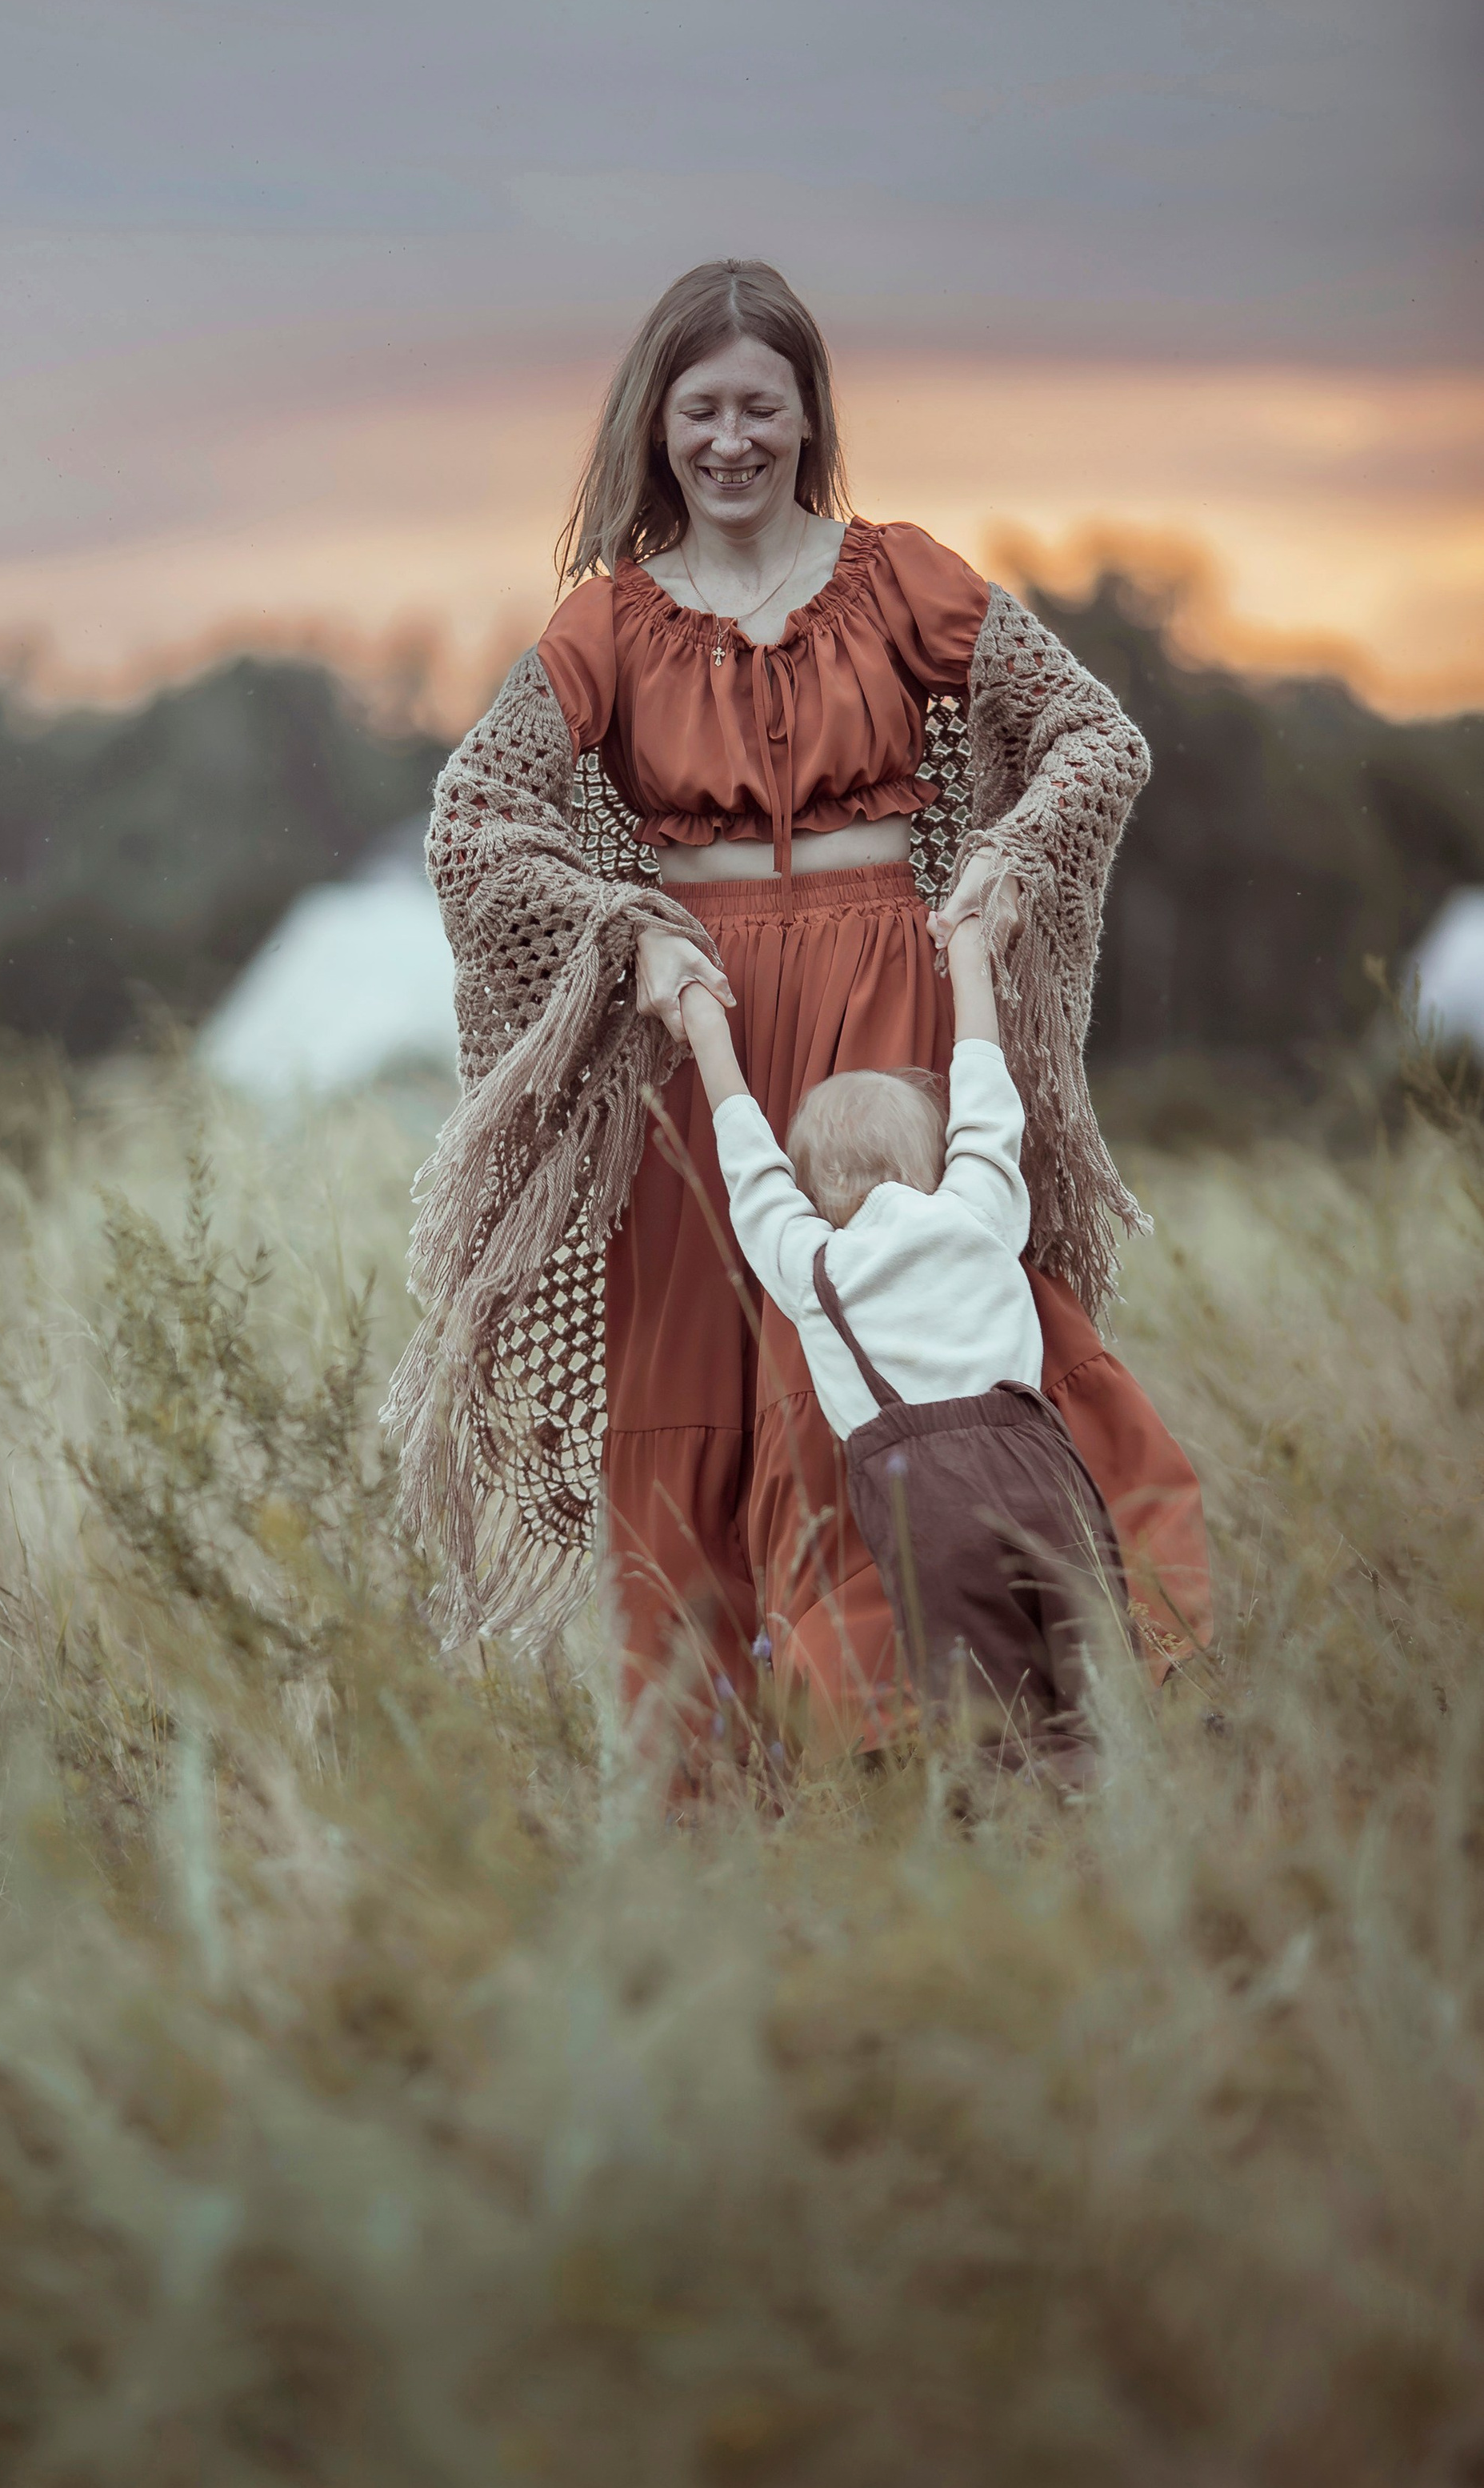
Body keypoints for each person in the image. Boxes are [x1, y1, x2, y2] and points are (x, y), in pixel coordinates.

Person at [386, 257, 1209, 1771]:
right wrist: (621, 923)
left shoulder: (900, 574)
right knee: (704, 1381)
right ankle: (706, 1784)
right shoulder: (612, 621)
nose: (733, 440)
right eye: (702, 409)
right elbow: (474, 817)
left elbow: (1096, 735)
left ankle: (947, 1744)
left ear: (808, 415)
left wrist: (1011, 865)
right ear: (656, 425)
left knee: (917, 1363)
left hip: (891, 1011)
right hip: (703, 1039)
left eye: (763, 406)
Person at [677, 909, 1129, 1755]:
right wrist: (965, 954)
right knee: (1098, 1666)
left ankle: (1014, 1829)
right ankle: (1122, 1802)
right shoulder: (977, 1212)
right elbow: (988, 1098)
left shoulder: (810, 1264)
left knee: (988, 1708)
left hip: (927, 1510)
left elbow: (748, 1167)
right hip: (1042, 1471)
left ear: (811, 1194)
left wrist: (708, 1027)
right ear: (931, 1165)